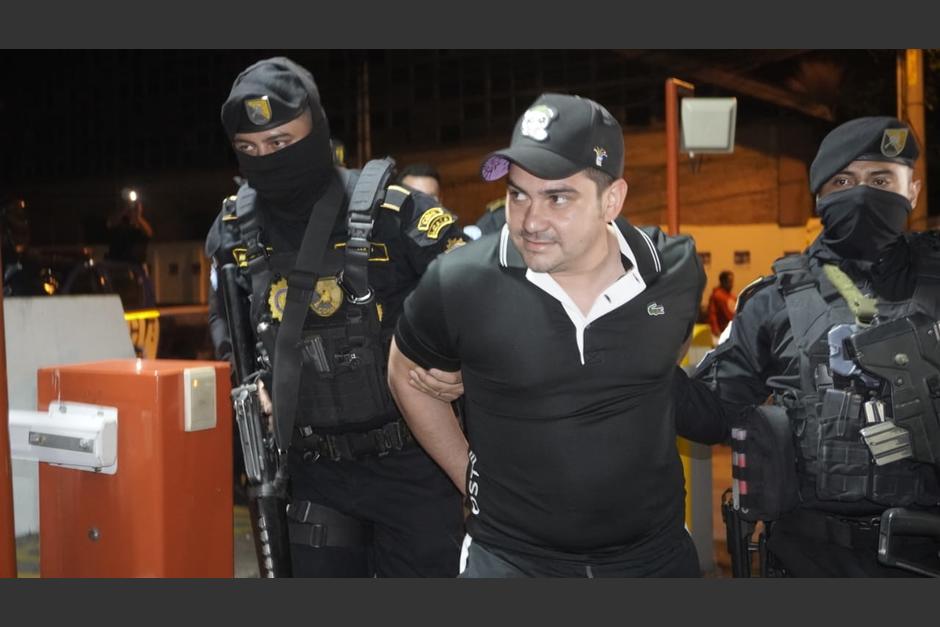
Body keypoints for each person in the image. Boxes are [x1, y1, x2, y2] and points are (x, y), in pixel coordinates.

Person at [387, 93, 729, 577]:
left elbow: (653, 371)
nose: (531, 221)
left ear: (611, 200)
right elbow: (403, 372)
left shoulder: (673, 272)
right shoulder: (461, 281)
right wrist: (470, 477)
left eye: (558, 198)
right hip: (510, 560)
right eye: (518, 194)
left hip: (653, 558)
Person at [205, 57, 466, 578]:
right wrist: (250, 382)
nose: (266, 159)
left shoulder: (397, 216)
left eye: (281, 142)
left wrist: (461, 367)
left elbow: (480, 311)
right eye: (249, 149)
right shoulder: (234, 231)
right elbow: (228, 326)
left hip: (414, 466)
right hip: (313, 474)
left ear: (318, 129)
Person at [695, 116, 940, 577]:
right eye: (843, 181)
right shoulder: (772, 300)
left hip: (927, 555)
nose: (862, 194)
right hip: (809, 559)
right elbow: (709, 412)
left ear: (913, 191)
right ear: (820, 198)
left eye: (881, 180)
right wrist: (642, 355)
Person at [706, 270, 735, 342]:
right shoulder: (716, 296)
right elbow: (712, 314)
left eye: (732, 281)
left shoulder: (732, 297)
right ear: (723, 282)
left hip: (731, 331)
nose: (732, 284)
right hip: (721, 332)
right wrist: (716, 330)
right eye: (729, 281)